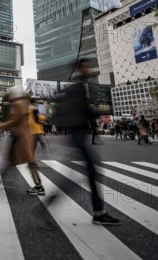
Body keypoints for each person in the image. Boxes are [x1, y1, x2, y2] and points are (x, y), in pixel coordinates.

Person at [49, 58, 121, 226]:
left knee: (87, 174)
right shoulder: (80, 87)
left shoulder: (78, 86)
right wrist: (94, 113)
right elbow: (83, 110)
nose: (89, 69)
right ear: (81, 69)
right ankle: (98, 212)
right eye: (86, 66)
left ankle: (98, 211)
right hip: (78, 136)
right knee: (88, 174)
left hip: (78, 136)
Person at [0, 86, 45, 196]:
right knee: (11, 159)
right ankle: (0, 178)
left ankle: (39, 186)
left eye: (11, 94)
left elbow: (15, 121)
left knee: (28, 161)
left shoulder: (18, 103)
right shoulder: (24, 103)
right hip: (22, 136)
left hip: (21, 137)